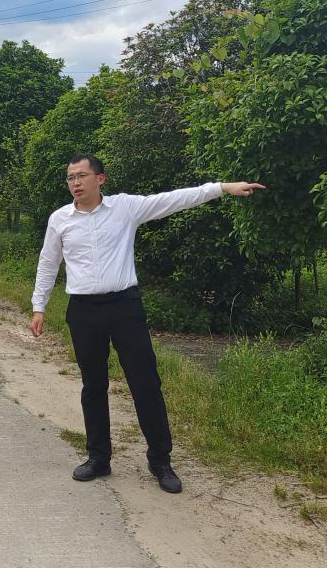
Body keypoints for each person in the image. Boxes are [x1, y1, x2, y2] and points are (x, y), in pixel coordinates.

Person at [30, 154, 265, 493]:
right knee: (93, 386)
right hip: (83, 310)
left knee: (145, 383)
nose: (75, 183)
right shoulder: (60, 219)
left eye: (81, 176)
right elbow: (48, 263)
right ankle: (98, 457)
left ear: (100, 179)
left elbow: (173, 200)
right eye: (70, 178)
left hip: (125, 306)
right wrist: (39, 306)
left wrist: (222, 188)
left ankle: (160, 460)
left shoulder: (125, 208)